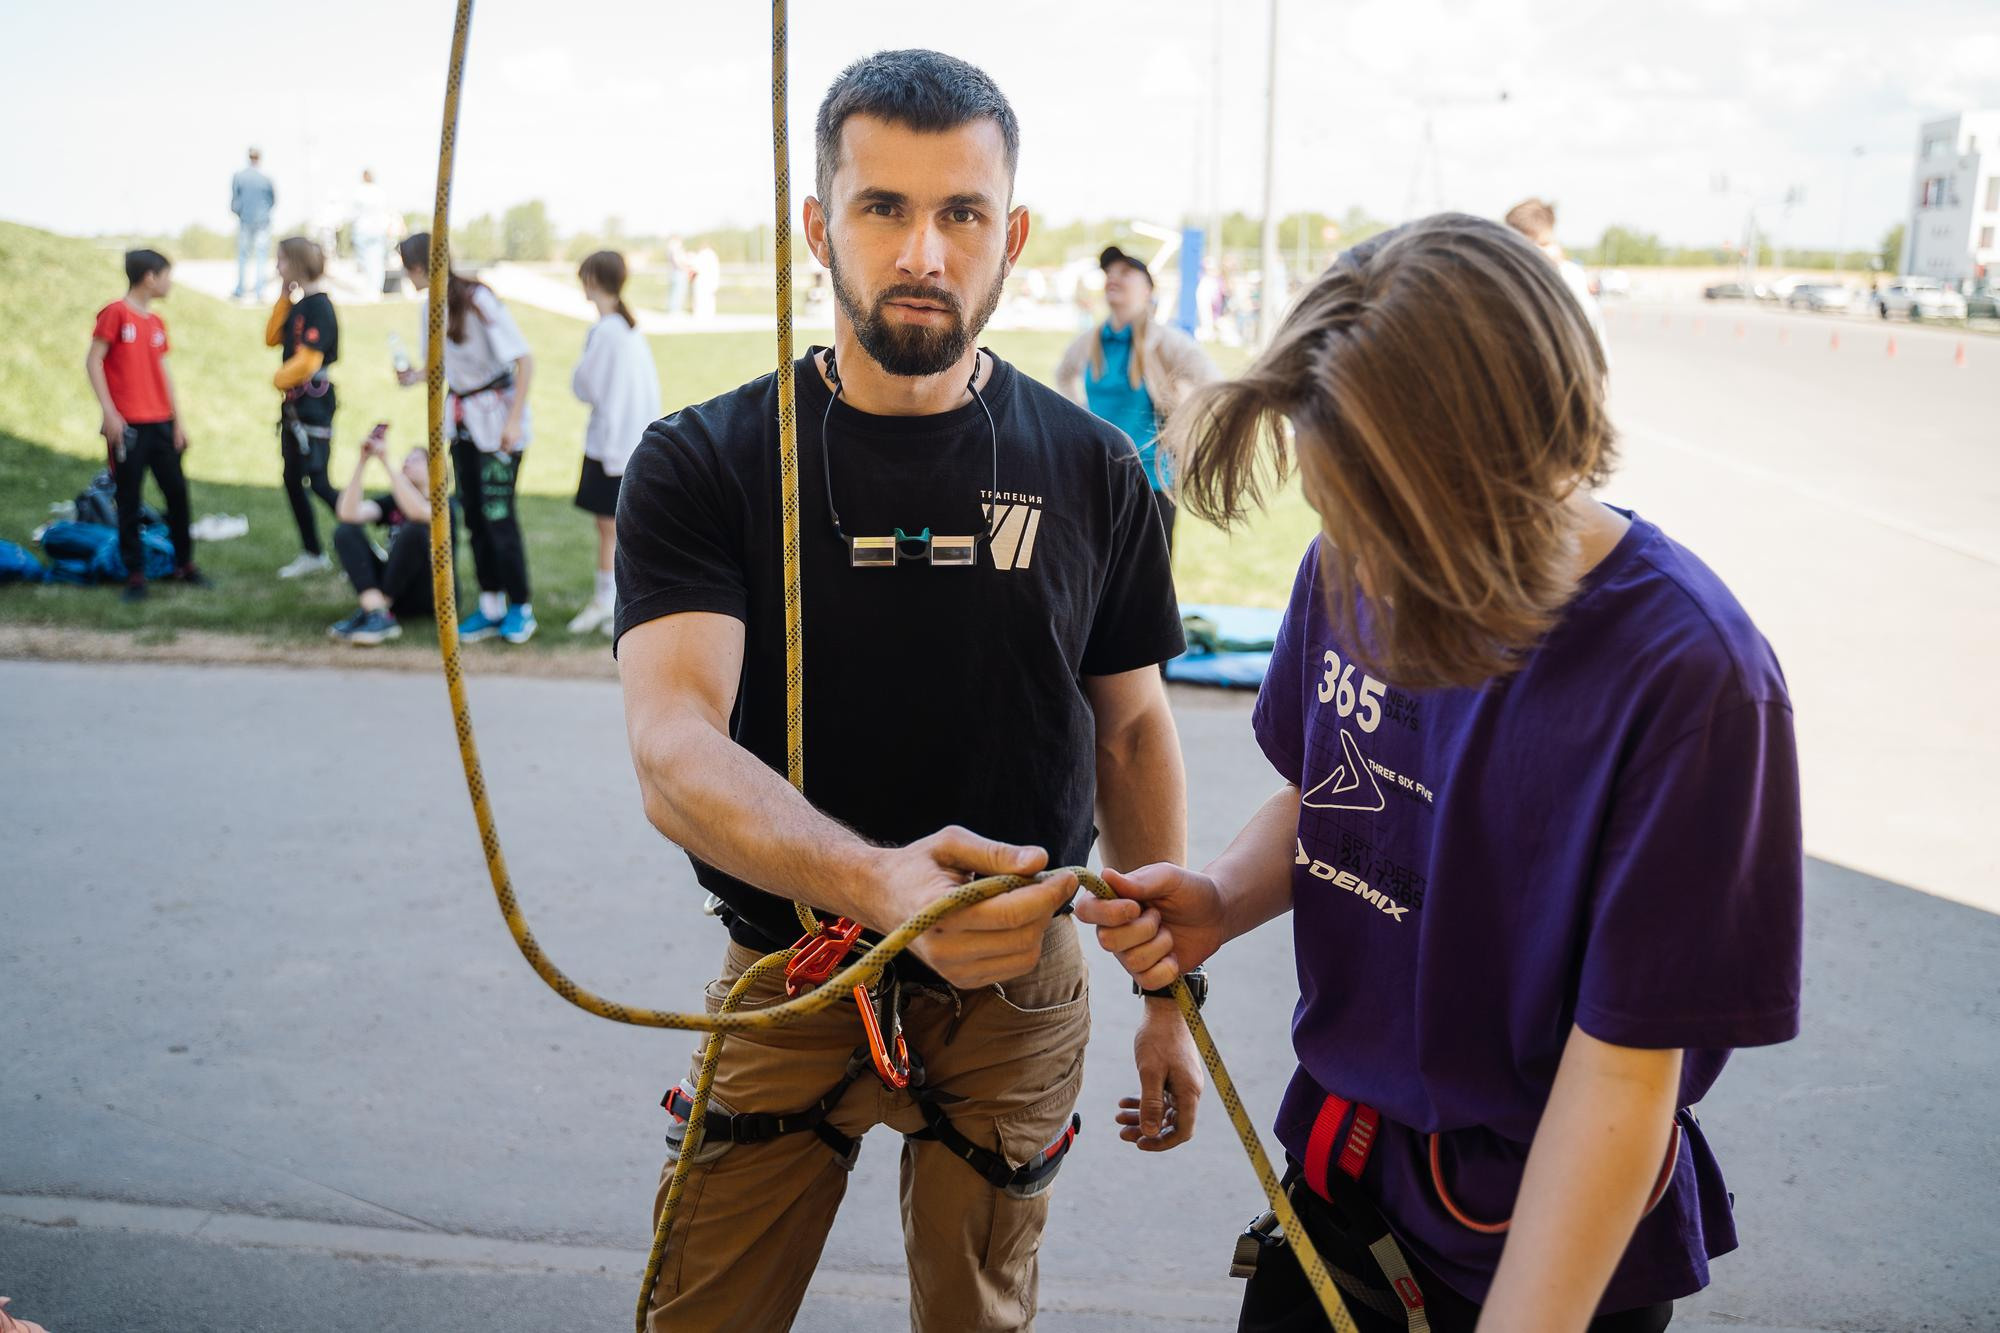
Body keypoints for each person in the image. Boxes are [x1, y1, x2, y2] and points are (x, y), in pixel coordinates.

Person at [1078, 214, 1804, 1333]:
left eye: (1384, 532)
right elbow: (1334, 792)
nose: (1354, 568)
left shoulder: (1691, 678)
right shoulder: (1351, 561)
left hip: (1537, 1227)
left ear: (1514, 465)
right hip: (1341, 1182)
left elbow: (1621, 1076)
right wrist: (1219, 897)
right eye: (1334, 518)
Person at [615, 49, 1193, 1332]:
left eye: (961, 212)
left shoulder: (1095, 465)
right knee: (698, 1314)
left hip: (1016, 981)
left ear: (1012, 235)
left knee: (977, 1318)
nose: (922, 249)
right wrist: (875, 886)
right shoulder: (704, 462)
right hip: (793, 968)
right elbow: (671, 745)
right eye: (882, 207)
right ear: (817, 225)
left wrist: (1168, 994)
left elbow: (1136, 727)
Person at [396, 233, 538, 644]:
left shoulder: (479, 300)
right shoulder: (429, 309)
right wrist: (416, 376)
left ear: (419, 267)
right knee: (474, 515)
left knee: (498, 515)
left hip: (498, 428)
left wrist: (513, 422)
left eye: (408, 268)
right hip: (463, 426)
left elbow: (523, 360)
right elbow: (445, 366)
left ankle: (520, 607)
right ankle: (491, 603)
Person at [1056, 246, 1219, 552]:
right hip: (1099, 481)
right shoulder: (1093, 339)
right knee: (1099, 577)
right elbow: (1063, 375)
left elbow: (1211, 380)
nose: (1113, 278)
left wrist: (1181, 421)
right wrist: (1079, 414)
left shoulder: (1165, 341)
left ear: (1147, 290)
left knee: (1150, 585)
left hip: (1152, 484)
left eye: (1126, 273)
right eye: (1109, 273)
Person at [84, 249, 206, 602]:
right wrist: (109, 413)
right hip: (129, 426)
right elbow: (93, 361)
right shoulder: (115, 313)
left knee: (178, 495)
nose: (170, 282)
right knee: (129, 499)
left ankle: (184, 565)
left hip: (162, 425)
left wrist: (178, 421)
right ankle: (135, 574)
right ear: (150, 277)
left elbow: (164, 374)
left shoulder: (156, 324)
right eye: (167, 275)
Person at [567, 250, 659, 635]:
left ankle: (612, 602)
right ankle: (616, 600)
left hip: (613, 443)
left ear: (591, 280)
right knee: (615, 526)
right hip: (630, 438)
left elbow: (584, 386)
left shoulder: (607, 330)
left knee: (611, 527)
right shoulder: (626, 328)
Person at [327, 424, 452, 645]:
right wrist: (362, 462)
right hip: (396, 589)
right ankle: (376, 610)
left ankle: (377, 612)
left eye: (415, 459)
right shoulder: (393, 501)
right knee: (346, 532)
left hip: (429, 593)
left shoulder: (445, 504)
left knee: (414, 531)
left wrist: (386, 462)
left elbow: (417, 513)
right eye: (406, 458)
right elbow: (347, 513)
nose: (406, 462)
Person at [267, 237, 342, 578]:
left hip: (314, 405)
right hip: (294, 407)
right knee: (292, 478)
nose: (277, 266)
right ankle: (312, 551)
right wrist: (284, 294)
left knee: (319, 479)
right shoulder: (298, 303)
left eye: (282, 261)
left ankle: (366, 547)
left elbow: (309, 360)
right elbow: (271, 336)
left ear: (296, 263)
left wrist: (280, 379)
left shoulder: (320, 307)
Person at [1505, 196, 1607, 352]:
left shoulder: (1571, 277)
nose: (1537, 253)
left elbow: (1593, 339)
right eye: (1526, 247)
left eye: (1544, 244)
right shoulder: (1508, 281)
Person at [230, 148, 276, 302]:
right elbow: (272, 200)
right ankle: (259, 292)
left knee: (244, 255)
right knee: (260, 256)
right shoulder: (265, 178)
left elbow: (235, 200)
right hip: (262, 221)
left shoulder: (240, 176)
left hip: (246, 220)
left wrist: (240, 212)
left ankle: (240, 290)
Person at [350, 169, 392, 302]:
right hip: (378, 231)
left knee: (367, 262)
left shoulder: (359, 192)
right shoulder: (380, 192)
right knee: (376, 261)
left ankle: (371, 290)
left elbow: (354, 214)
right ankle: (376, 289)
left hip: (363, 230)